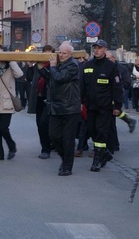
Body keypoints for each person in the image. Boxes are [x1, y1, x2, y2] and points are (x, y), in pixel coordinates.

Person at [38, 42, 80, 176]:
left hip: (69, 107)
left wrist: (53, 66)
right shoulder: (59, 64)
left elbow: (59, 77)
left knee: (68, 139)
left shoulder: (73, 65)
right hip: (56, 106)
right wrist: (40, 68)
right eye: (60, 52)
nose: (61, 55)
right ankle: (65, 159)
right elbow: (51, 79)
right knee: (53, 136)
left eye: (64, 53)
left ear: (70, 54)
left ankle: (67, 166)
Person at [80, 40, 122, 172]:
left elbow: (117, 87)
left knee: (101, 132)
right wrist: (80, 101)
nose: (96, 50)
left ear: (105, 49)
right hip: (90, 106)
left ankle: (97, 160)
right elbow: (82, 85)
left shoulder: (110, 66)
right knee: (92, 130)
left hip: (105, 106)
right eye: (95, 48)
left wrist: (117, 106)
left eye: (99, 48)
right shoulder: (88, 65)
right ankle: (106, 154)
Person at [0, 59, 23, 161]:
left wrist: (11, 61)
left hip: (7, 102)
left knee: (3, 127)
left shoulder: (12, 66)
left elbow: (19, 74)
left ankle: (12, 146)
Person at [28, 45, 54, 159]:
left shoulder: (54, 67)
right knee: (40, 124)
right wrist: (29, 66)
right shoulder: (37, 66)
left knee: (45, 123)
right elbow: (28, 78)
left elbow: (50, 78)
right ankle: (45, 147)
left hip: (49, 99)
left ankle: (48, 148)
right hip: (38, 98)